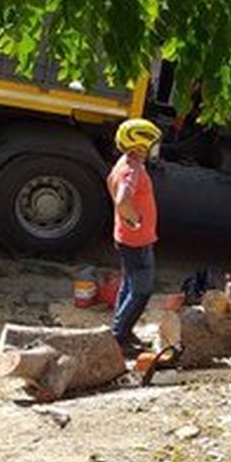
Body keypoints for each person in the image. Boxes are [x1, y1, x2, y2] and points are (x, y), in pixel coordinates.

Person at [107, 117, 162, 354]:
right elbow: (122, 199)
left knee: (128, 285)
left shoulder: (123, 162)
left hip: (125, 238)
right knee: (141, 291)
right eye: (153, 144)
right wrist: (136, 221)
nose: (155, 149)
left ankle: (121, 331)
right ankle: (119, 338)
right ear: (141, 144)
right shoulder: (133, 169)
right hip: (137, 241)